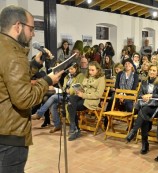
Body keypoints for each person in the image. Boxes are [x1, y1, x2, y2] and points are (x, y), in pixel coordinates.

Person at [0, 5, 63, 172]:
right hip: (10, 134)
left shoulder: (3, 48)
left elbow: (11, 77)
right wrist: (48, 80)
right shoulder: (14, 54)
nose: (33, 34)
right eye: (32, 28)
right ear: (18, 26)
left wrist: (35, 63)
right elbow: (24, 99)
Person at [126, 64, 158, 154]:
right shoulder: (144, 81)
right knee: (144, 113)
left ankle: (135, 132)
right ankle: (144, 142)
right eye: (150, 70)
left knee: (143, 111)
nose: (151, 72)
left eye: (154, 70)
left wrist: (151, 95)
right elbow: (139, 95)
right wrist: (144, 97)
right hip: (146, 105)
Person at [31, 64, 85, 133]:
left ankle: (39, 114)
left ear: (76, 68)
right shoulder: (67, 77)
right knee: (53, 104)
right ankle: (57, 125)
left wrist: (68, 90)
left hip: (74, 97)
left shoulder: (80, 76)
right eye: (69, 69)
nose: (70, 71)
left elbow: (76, 88)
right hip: (65, 94)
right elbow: (64, 87)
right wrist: (65, 90)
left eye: (72, 69)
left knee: (53, 97)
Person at [67, 61, 105, 141]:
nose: (90, 72)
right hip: (83, 96)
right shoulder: (88, 76)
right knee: (71, 99)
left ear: (98, 70)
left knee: (70, 106)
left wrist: (83, 95)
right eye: (89, 70)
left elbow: (98, 95)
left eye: (92, 70)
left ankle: (75, 129)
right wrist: (79, 90)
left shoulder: (101, 78)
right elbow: (84, 87)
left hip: (91, 100)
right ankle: (74, 127)